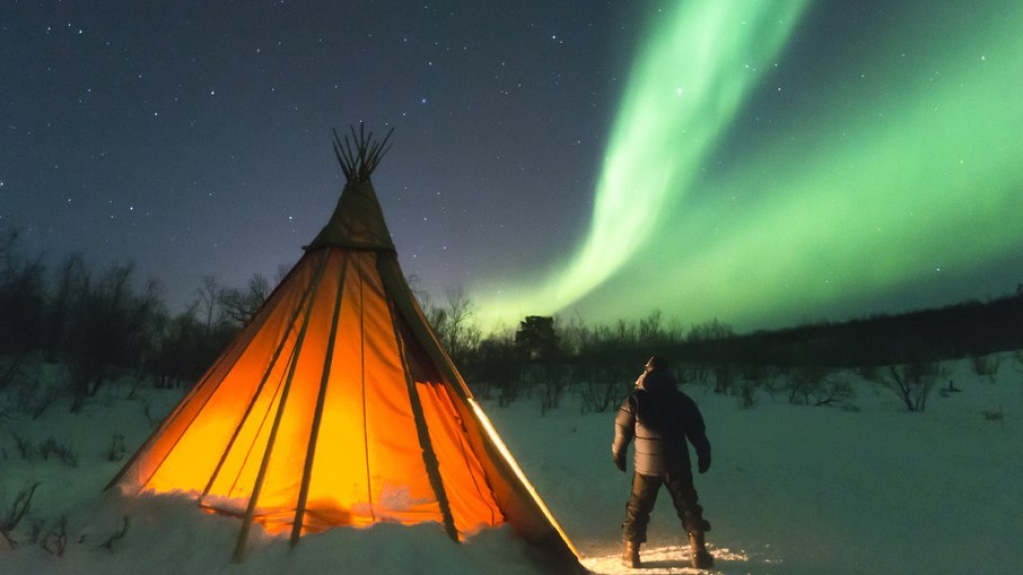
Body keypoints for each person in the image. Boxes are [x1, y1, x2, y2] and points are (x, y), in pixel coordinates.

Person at [611, 355, 713, 569]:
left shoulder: (635, 399)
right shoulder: (682, 400)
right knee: (688, 506)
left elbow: (622, 431)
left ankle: (631, 554)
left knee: (637, 509)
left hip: (645, 468)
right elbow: (697, 431)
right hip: (678, 465)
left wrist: (618, 454)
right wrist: (704, 454)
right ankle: (699, 554)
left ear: (647, 371)